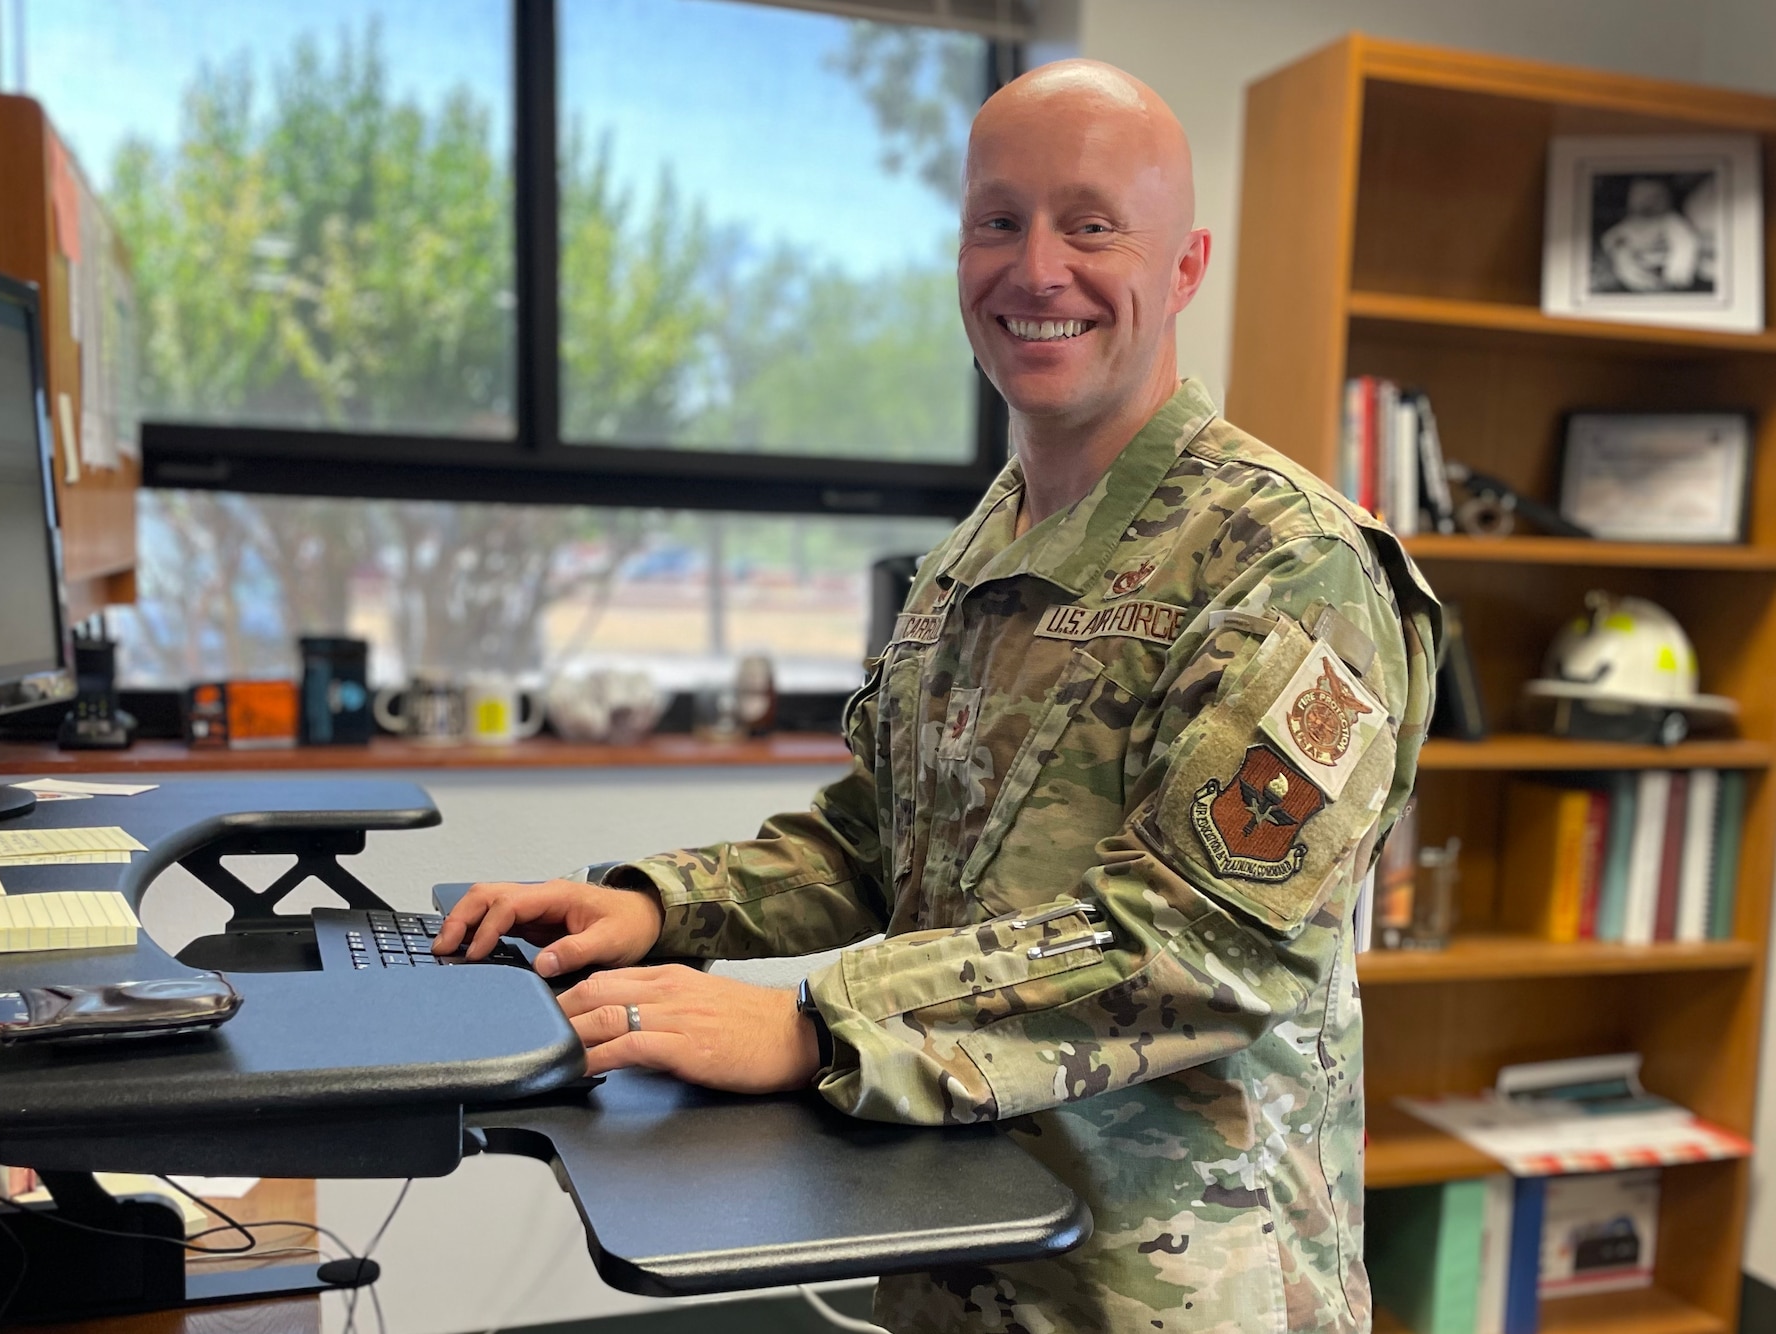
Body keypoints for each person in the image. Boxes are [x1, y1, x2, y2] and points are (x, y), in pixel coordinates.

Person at [438, 58, 1440, 1334]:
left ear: (1182, 268)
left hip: (1164, 1287)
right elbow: (885, 837)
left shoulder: (1288, 561)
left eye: (1089, 224)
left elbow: (1197, 941)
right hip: (953, 1246)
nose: (1035, 268)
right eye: (995, 219)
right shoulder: (982, 544)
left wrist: (812, 1022)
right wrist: (656, 905)